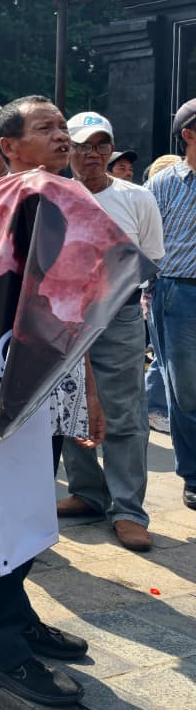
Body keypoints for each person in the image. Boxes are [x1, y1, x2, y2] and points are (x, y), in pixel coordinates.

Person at [0, 95, 102, 706]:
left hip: (53, 381)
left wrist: (87, 388)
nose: (62, 136)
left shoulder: (66, 204)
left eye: (64, 126)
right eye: (46, 128)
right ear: (9, 146)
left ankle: (14, 615)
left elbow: (74, 308)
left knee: (30, 510)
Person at [59, 112, 164, 552]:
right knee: (71, 406)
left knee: (124, 412)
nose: (93, 155)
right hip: (64, 317)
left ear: (112, 150)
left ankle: (127, 509)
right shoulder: (55, 194)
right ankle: (88, 492)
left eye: (102, 146)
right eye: (83, 146)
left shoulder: (136, 198)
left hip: (119, 316)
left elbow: (152, 258)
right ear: (69, 150)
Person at [144, 97, 196, 514]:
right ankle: (194, 475)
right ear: (189, 135)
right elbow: (142, 240)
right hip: (179, 292)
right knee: (186, 390)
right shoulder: (163, 184)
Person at [144, 153, 180, 433]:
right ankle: (154, 408)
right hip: (160, 288)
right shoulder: (152, 199)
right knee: (161, 356)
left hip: (161, 288)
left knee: (163, 355)